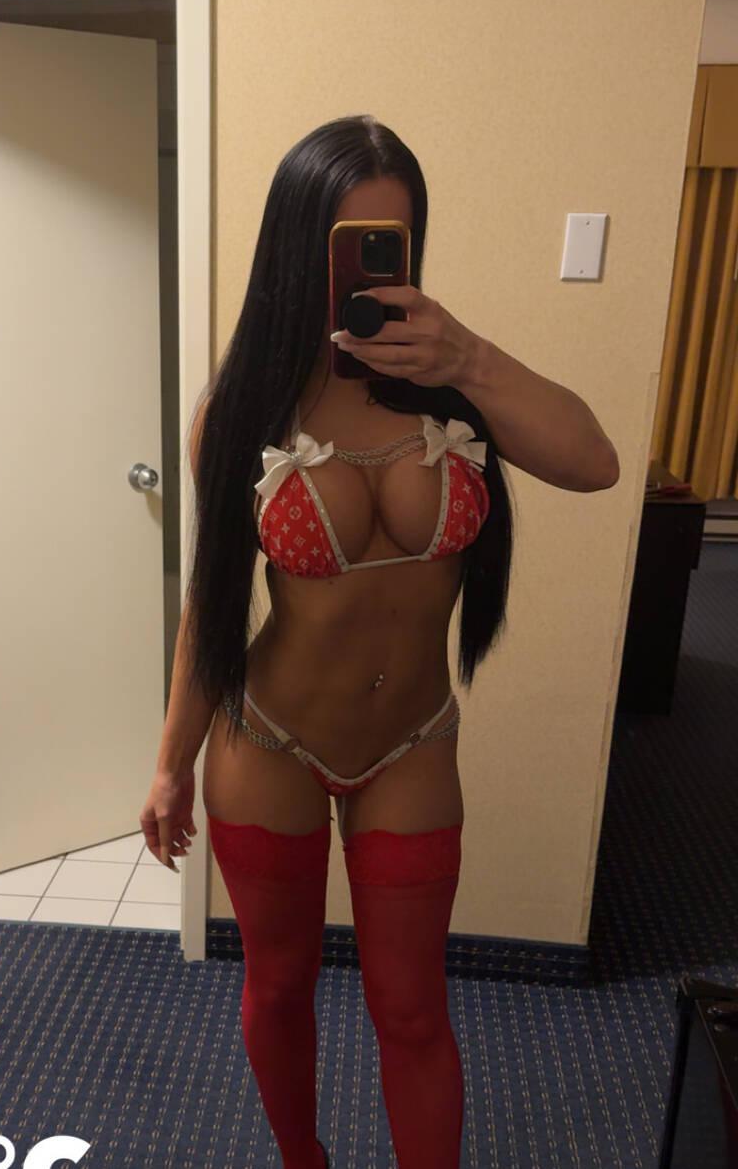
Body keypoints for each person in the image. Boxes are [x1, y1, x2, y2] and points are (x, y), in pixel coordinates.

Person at [139, 116, 619, 1168]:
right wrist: (170, 764)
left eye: (390, 247)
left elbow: (595, 462)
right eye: (345, 246)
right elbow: (210, 605)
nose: (366, 274)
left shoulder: (452, 387)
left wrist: (470, 356)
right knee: (279, 985)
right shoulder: (241, 409)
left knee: (411, 1010)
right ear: (295, 247)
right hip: (266, 742)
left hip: (412, 745)